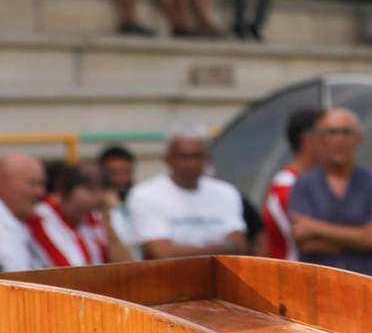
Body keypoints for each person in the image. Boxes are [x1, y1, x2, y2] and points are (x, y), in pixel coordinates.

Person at [288, 109, 372, 283]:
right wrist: (362, 241)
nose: (340, 140)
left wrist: (315, 228)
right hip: (318, 283)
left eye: (346, 132)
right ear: (319, 140)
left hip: (369, 283)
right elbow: (306, 244)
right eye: (332, 133)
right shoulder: (303, 185)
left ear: (359, 138)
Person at [125, 126, 248, 259]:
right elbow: (162, 253)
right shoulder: (144, 195)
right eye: (183, 157)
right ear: (167, 159)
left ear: (207, 158)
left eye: (197, 156)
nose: (191, 164)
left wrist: (179, 250)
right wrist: (224, 248)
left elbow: (239, 244)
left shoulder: (226, 192)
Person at [263, 108, 324, 261]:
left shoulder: (320, 183)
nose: (337, 142)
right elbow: (310, 244)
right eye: (329, 134)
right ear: (308, 141)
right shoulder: (286, 187)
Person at [28, 163, 109, 267]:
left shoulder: (91, 217)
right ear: (62, 193)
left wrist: (108, 221)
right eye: (80, 208)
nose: (86, 216)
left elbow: (123, 263)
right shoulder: (41, 218)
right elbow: (70, 272)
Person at [0, 153, 49, 272]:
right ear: (3, 183)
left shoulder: (26, 222)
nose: (40, 192)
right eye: (32, 183)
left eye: (42, 184)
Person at [97, 145, 138, 254]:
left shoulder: (141, 200)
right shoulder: (94, 210)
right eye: (113, 173)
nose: (121, 179)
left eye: (126, 172)